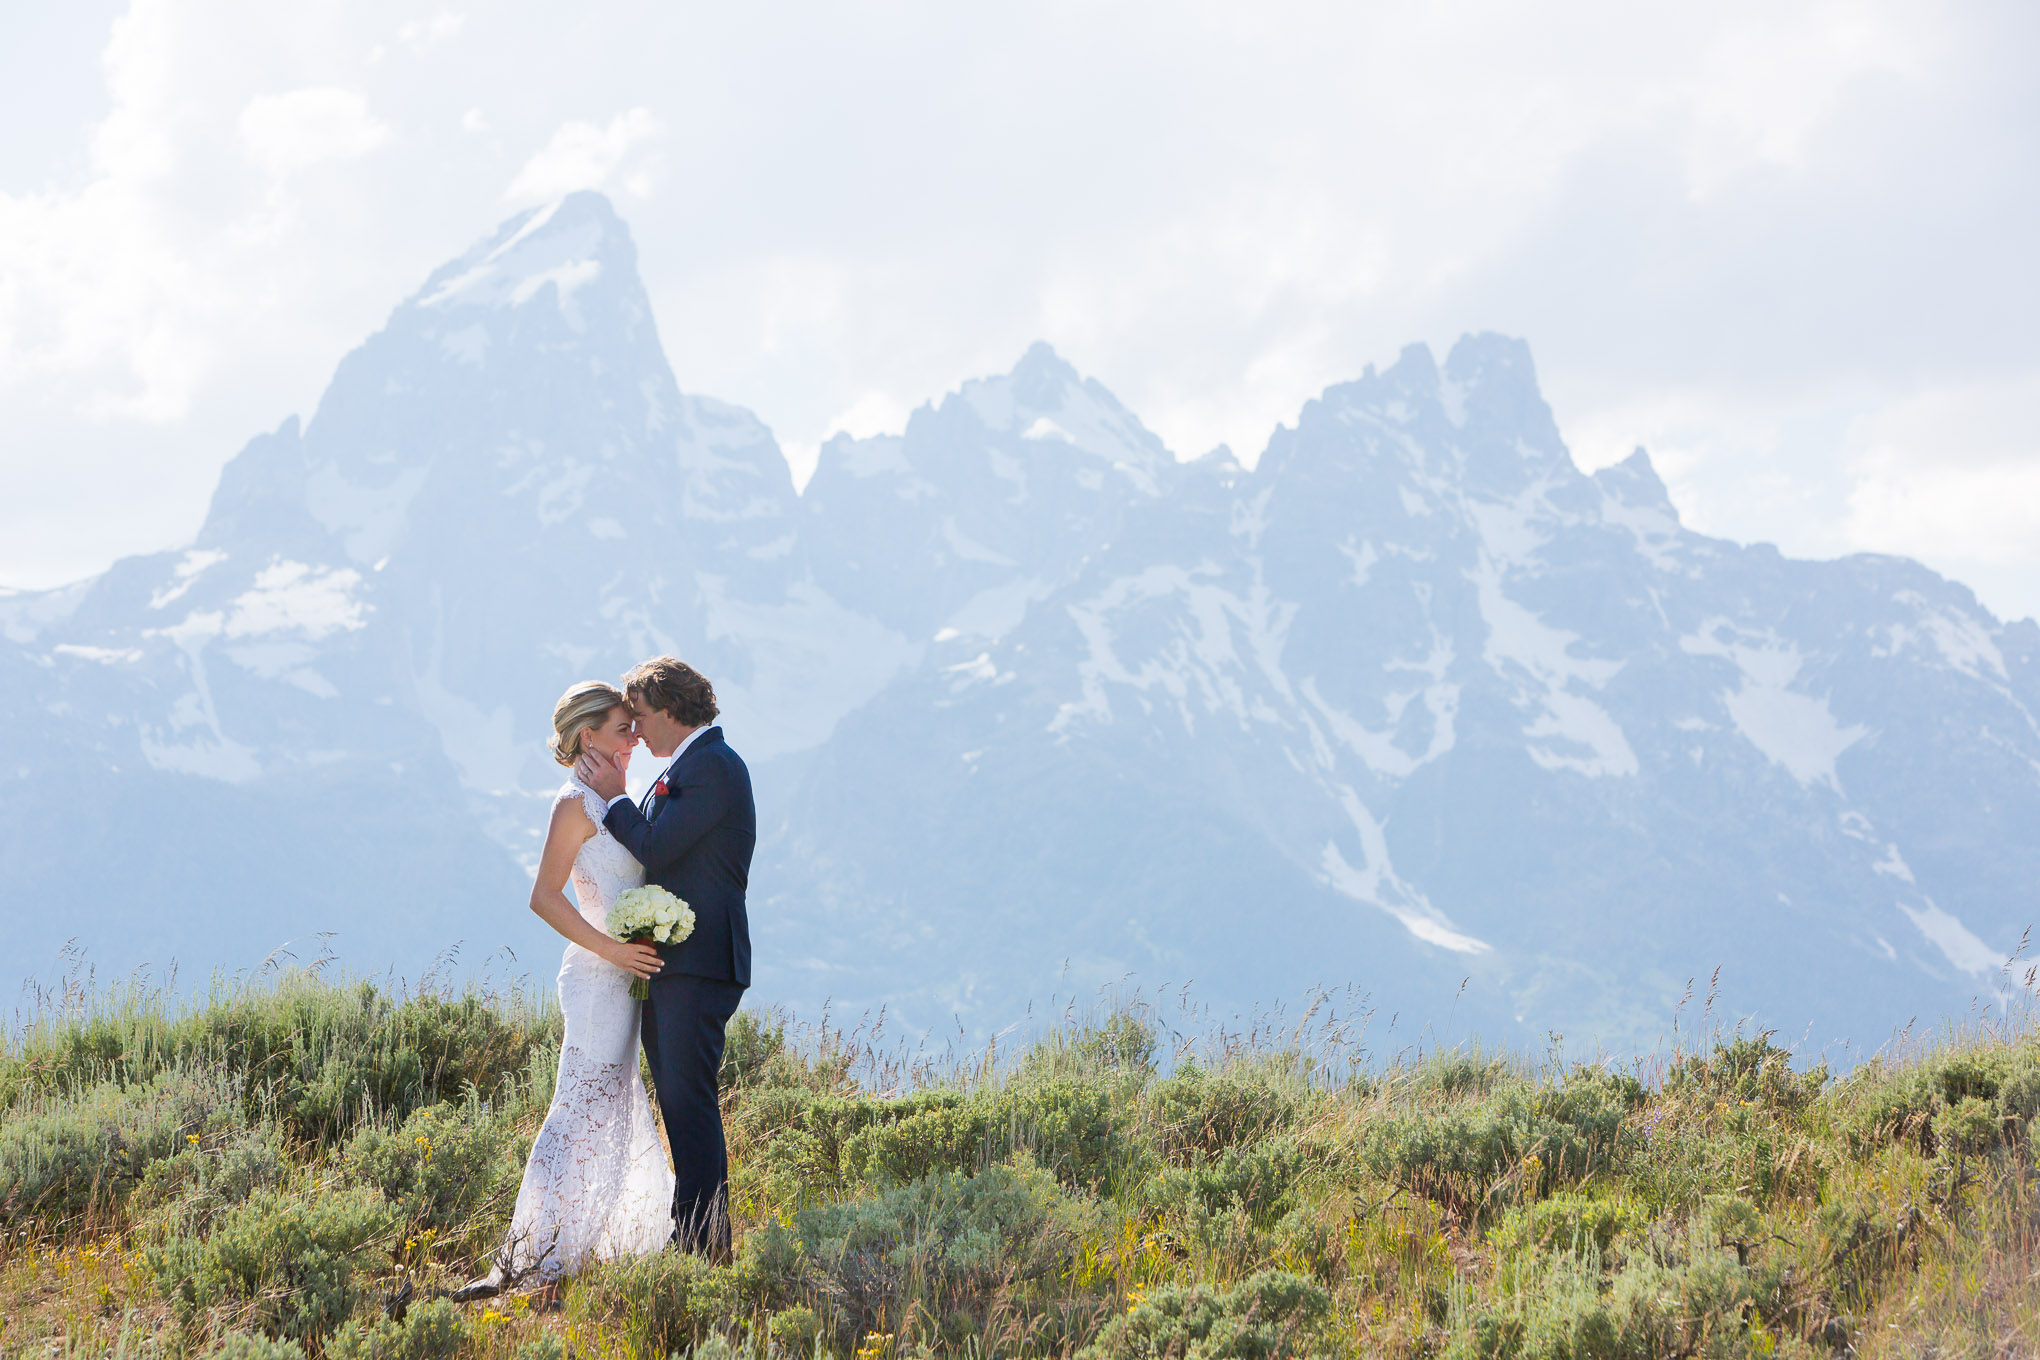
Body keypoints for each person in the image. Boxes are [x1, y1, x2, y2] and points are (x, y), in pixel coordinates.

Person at [452, 682, 672, 1301]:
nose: (634, 737)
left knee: (613, 1102)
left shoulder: (613, 796)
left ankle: (599, 1244)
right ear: (586, 738)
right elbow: (543, 896)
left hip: (625, 976)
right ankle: (534, 1256)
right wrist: (613, 950)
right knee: (580, 1104)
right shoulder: (574, 803)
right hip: (599, 975)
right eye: (623, 728)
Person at [575, 655, 755, 1259]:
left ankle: (704, 1247)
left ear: (672, 710)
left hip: (699, 965)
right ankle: (693, 1236)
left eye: (643, 717)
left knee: (688, 1101)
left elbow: (657, 843)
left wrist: (612, 796)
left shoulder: (715, 768)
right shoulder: (689, 765)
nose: (637, 731)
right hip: (672, 967)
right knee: (678, 1101)